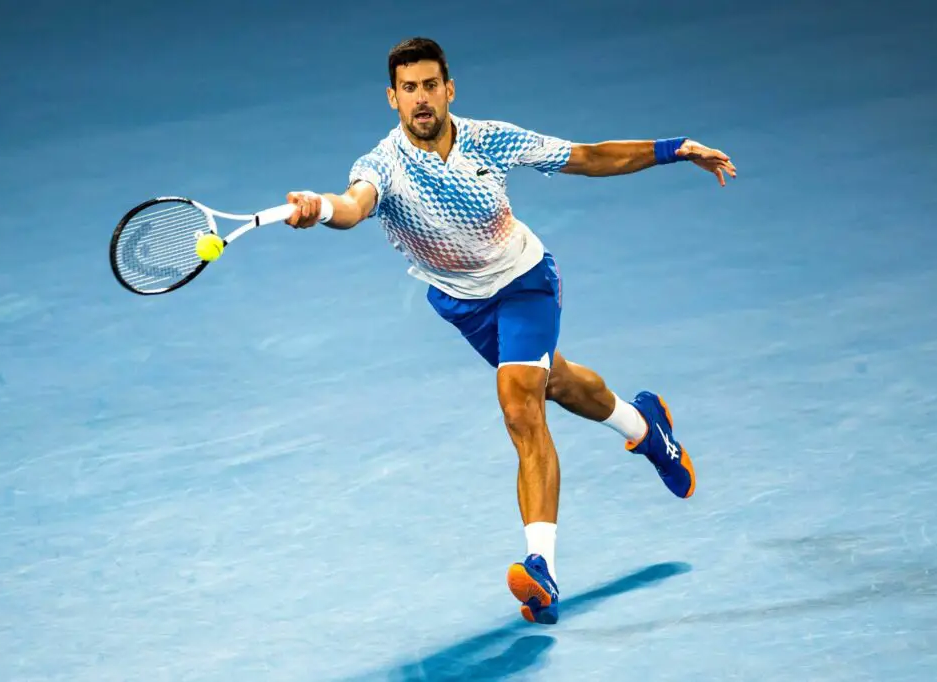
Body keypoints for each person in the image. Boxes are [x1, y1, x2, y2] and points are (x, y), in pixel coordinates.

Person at [281, 37, 736, 625]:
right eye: (409, 89)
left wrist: (675, 149)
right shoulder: (382, 165)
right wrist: (319, 208)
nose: (421, 99)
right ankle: (647, 428)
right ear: (392, 98)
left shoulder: (489, 138)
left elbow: (586, 156)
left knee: (520, 404)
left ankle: (541, 568)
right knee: (557, 382)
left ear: (449, 89)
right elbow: (352, 205)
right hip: (464, 304)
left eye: (430, 86)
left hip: (525, 282)